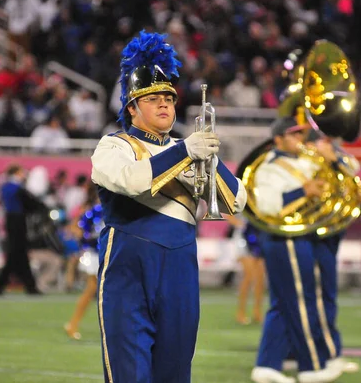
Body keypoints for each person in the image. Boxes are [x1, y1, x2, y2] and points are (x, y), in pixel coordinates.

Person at [91, 30, 246, 383]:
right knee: (129, 372)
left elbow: (237, 202)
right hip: (129, 267)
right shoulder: (114, 145)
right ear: (131, 107)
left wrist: (212, 161)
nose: (164, 104)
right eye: (152, 98)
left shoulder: (189, 146)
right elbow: (131, 180)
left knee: (175, 374)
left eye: (169, 98)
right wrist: (186, 152)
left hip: (180, 269)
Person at [250, 118, 361, 383]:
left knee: (284, 303)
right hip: (284, 237)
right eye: (293, 135)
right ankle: (312, 366)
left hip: (302, 236)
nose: (300, 140)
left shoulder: (304, 161)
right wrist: (303, 190)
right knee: (303, 302)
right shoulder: (269, 167)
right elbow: (268, 206)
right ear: (278, 139)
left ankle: (267, 365)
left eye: (300, 134)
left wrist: (333, 156)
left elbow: (351, 168)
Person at [0, 164, 47, 295]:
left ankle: (29, 286)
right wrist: (42, 208)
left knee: (19, 254)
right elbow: (31, 204)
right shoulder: (17, 188)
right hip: (17, 221)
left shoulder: (5, 187)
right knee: (15, 254)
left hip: (11, 220)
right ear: (16, 173)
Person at [64, 183, 103, 340]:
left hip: (108, 253)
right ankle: (73, 323)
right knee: (92, 290)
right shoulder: (92, 211)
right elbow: (75, 227)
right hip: (94, 254)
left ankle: (73, 324)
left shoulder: (110, 210)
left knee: (100, 292)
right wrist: (84, 238)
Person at [225, 214, 266, 325]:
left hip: (259, 235)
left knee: (260, 278)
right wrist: (242, 225)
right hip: (243, 238)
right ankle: (241, 313)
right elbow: (226, 213)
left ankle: (257, 312)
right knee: (249, 276)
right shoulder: (238, 197)